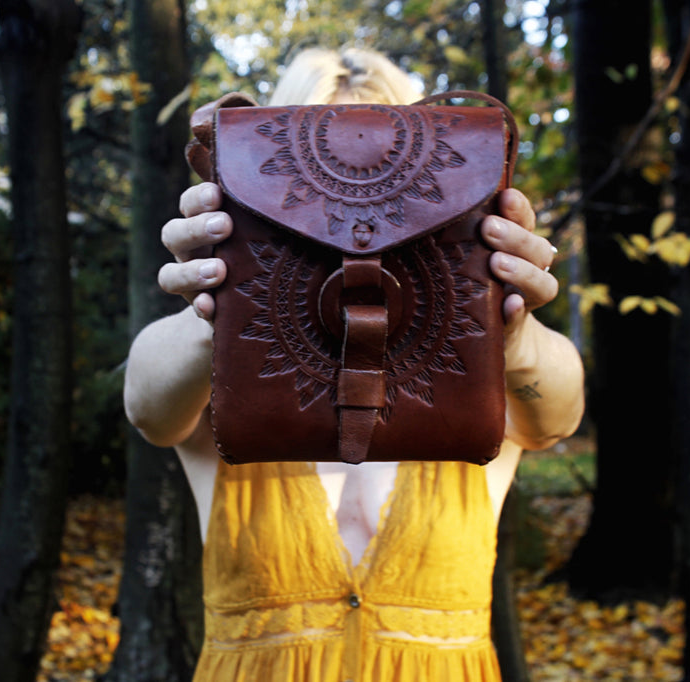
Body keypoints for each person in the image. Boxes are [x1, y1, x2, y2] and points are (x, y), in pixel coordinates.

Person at [124, 47, 585, 682]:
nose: (353, 219)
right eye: (314, 192)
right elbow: (148, 407)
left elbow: (556, 416)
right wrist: (222, 308)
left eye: (387, 181)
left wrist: (507, 328)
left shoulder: (472, 373)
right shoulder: (229, 375)